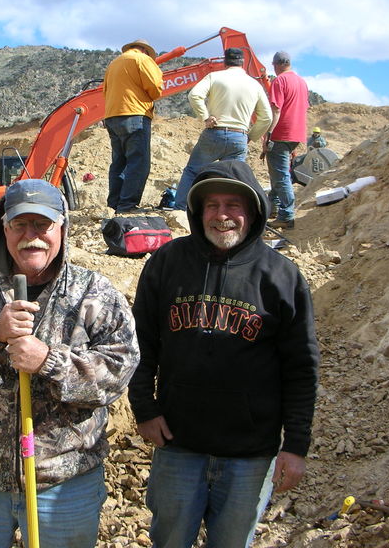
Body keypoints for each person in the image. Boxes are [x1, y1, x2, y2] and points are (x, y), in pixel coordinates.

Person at [0, 178, 139, 548]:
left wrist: (49, 362)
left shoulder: (94, 293)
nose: (32, 235)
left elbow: (118, 373)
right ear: (3, 228)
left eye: (43, 224)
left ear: (62, 228)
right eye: (20, 224)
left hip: (65, 483)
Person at [128, 160, 319, 548]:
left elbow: (301, 367)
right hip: (178, 444)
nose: (222, 215)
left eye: (233, 204)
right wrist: (144, 409)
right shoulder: (166, 263)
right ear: (198, 213)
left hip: (250, 454)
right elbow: (140, 341)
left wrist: (295, 446)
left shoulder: (281, 277)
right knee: (169, 541)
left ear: (252, 211)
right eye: (212, 205)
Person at [173, 47, 272, 210]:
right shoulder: (254, 85)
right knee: (232, 178)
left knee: (193, 171)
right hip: (239, 136)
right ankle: (230, 211)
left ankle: (181, 209)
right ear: (242, 63)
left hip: (215, 132)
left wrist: (205, 116)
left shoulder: (214, 77)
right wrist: (250, 136)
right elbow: (266, 117)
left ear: (225, 61)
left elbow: (194, 95)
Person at [103, 38, 164, 213]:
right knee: (139, 162)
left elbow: (104, 91)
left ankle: (114, 205)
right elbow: (155, 87)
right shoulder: (142, 60)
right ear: (144, 50)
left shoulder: (113, 64)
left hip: (112, 116)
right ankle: (128, 205)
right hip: (135, 113)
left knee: (119, 162)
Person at [264, 51, 309, 229]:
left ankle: (286, 215)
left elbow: (276, 110)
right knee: (279, 171)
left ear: (276, 64)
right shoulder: (302, 82)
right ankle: (273, 207)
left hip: (281, 133)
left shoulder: (279, 81)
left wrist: (268, 133)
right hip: (296, 134)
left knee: (280, 174)